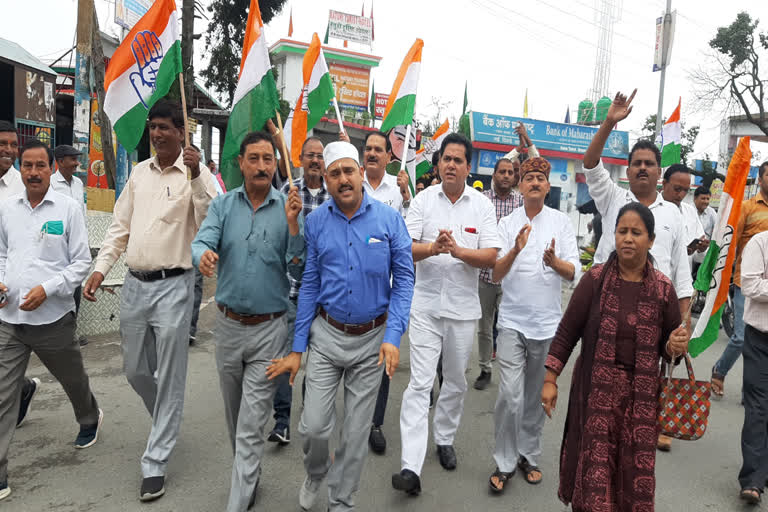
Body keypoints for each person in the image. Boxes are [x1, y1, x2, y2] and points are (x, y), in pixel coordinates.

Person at [266, 141, 414, 512]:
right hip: (327, 337)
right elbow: (311, 285)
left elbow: (405, 280)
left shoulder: (389, 220)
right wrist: (297, 350)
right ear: (327, 181)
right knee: (314, 428)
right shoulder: (315, 223)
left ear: (362, 174)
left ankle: (342, 501)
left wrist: (393, 337)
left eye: (349, 171)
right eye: (336, 174)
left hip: (372, 341)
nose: (344, 179)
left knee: (354, 434)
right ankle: (316, 471)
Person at [82, 100, 217, 501]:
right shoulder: (139, 174)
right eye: (153, 127)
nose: (156, 134)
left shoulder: (199, 175)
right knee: (135, 369)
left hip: (176, 285)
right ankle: (166, 420)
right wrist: (100, 269)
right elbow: (119, 229)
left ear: (181, 132)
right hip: (135, 286)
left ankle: (154, 462)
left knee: (171, 376)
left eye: (164, 128)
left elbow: (209, 222)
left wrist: (195, 177)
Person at [542, 202, 689, 512]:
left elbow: (669, 346)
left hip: (640, 402)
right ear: (613, 235)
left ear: (650, 240)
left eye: (637, 233)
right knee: (594, 479)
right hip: (595, 395)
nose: (628, 238)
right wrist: (550, 379)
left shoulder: (663, 289)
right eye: (622, 231)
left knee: (631, 479)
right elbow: (568, 332)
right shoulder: (594, 281)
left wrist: (674, 345)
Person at [192, 131, 305, 511]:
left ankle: (237, 501)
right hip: (226, 328)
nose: (261, 166)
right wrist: (203, 255)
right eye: (254, 158)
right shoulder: (224, 206)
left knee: (253, 419)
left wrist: (293, 225)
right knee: (234, 416)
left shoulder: (288, 206)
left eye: (268, 159)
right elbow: (201, 241)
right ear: (240, 162)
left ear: (276, 165)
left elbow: (299, 266)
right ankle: (248, 471)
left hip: (269, 331)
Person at [583, 91, 693, 452]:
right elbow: (590, 161)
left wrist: (683, 322)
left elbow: (680, 275)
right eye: (636, 163)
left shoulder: (674, 215)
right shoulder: (613, 199)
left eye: (649, 163)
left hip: (651, 314)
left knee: (642, 390)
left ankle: (644, 434)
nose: (643, 168)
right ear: (628, 170)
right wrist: (610, 122)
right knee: (597, 383)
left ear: (659, 172)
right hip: (606, 307)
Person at [393, 133, 500, 496]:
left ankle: (444, 438)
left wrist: (457, 252)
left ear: (468, 167)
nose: (451, 165)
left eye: (458, 160)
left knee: (454, 380)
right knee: (420, 384)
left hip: (463, 310)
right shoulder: (422, 200)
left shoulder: (482, 206)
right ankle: (410, 465)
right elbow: (405, 249)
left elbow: (491, 256)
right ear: (437, 165)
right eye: (446, 159)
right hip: (425, 307)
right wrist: (431, 247)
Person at [0, 140, 102, 502]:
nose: (32, 172)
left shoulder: (69, 208)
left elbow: (80, 263)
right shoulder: (6, 208)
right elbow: (0, 252)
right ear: (20, 168)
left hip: (53, 319)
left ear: (50, 168)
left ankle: (89, 417)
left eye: (39, 166)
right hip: (9, 319)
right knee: (1, 394)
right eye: (26, 166)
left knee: (73, 380)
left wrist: (48, 288)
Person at [488, 156, 579, 492]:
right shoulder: (508, 223)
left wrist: (554, 262)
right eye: (530, 178)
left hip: (548, 325)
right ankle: (504, 461)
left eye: (541, 177)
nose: (536, 183)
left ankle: (528, 454)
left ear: (548, 185)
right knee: (510, 395)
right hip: (512, 322)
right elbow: (495, 274)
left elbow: (574, 272)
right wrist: (514, 250)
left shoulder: (561, 223)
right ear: (520, 185)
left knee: (536, 397)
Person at [266, 136, 330, 446]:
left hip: (323, 295)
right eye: (310, 155)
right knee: (286, 355)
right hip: (290, 290)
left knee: (317, 360)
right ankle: (281, 420)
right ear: (300, 160)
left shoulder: (336, 198)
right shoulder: (286, 193)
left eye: (320, 156)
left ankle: (310, 414)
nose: (315, 160)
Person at [361, 130, 411, 454]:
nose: (373, 154)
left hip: (385, 289)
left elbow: (407, 233)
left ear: (389, 157)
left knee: (383, 359)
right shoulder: (351, 181)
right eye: (368, 149)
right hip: (353, 287)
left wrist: (407, 197)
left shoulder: (398, 190)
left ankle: (374, 422)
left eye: (379, 149)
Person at [711, 161, 768, 398]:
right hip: (747, 282)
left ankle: (752, 391)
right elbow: (732, 242)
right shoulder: (747, 207)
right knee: (742, 336)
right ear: (760, 178)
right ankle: (719, 371)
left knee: (760, 340)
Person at [473, 149, 528, 391]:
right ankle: (485, 369)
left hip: (511, 278)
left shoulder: (521, 202)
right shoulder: (481, 200)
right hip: (484, 276)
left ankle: (510, 372)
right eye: (502, 172)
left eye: (510, 172)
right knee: (484, 328)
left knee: (508, 326)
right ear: (493, 175)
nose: (506, 176)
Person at [0, 121, 43, 428]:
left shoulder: (23, 183)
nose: (9, 150)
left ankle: (20, 389)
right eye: (3, 144)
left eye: (13, 145)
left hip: (9, 281)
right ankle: (23, 387)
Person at [737, 230, 768, 504]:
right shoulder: (760, 243)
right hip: (760, 339)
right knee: (758, 408)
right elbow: (750, 286)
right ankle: (753, 480)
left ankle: (763, 470)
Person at [660, 164, 706, 258]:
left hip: (686, 271)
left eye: (686, 190)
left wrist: (701, 249)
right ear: (664, 184)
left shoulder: (690, 212)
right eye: (677, 189)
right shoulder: (650, 210)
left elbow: (697, 256)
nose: (681, 195)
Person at [692, 186, 717, 276]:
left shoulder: (711, 212)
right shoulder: (689, 211)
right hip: (691, 249)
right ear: (695, 198)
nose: (706, 201)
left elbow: (717, 229)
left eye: (707, 199)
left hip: (705, 250)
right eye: (703, 198)